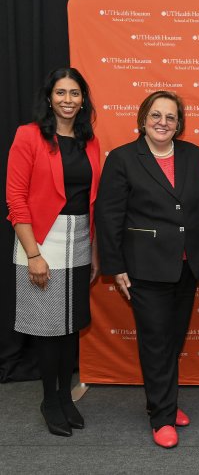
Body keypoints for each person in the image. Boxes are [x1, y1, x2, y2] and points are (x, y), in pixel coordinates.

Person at [95, 91, 199, 448]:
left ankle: (164, 401)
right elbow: (109, 215)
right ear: (143, 118)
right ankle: (162, 416)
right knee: (156, 342)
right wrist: (115, 267)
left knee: (172, 340)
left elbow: (196, 208)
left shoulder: (192, 155)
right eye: (156, 115)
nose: (163, 122)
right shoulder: (122, 158)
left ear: (180, 123)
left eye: (171, 117)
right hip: (144, 268)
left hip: (187, 264)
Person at [6, 67, 101, 437]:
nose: (68, 100)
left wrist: (94, 251)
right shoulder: (28, 136)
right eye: (61, 93)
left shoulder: (88, 139)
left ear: (83, 100)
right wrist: (33, 254)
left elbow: (91, 200)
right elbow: (15, 198)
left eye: (75, 93)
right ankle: (49, 400)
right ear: (49, 97)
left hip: (79, 240)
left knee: (69, 327)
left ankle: (64, 396)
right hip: (42, 239)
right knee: (47, 329)